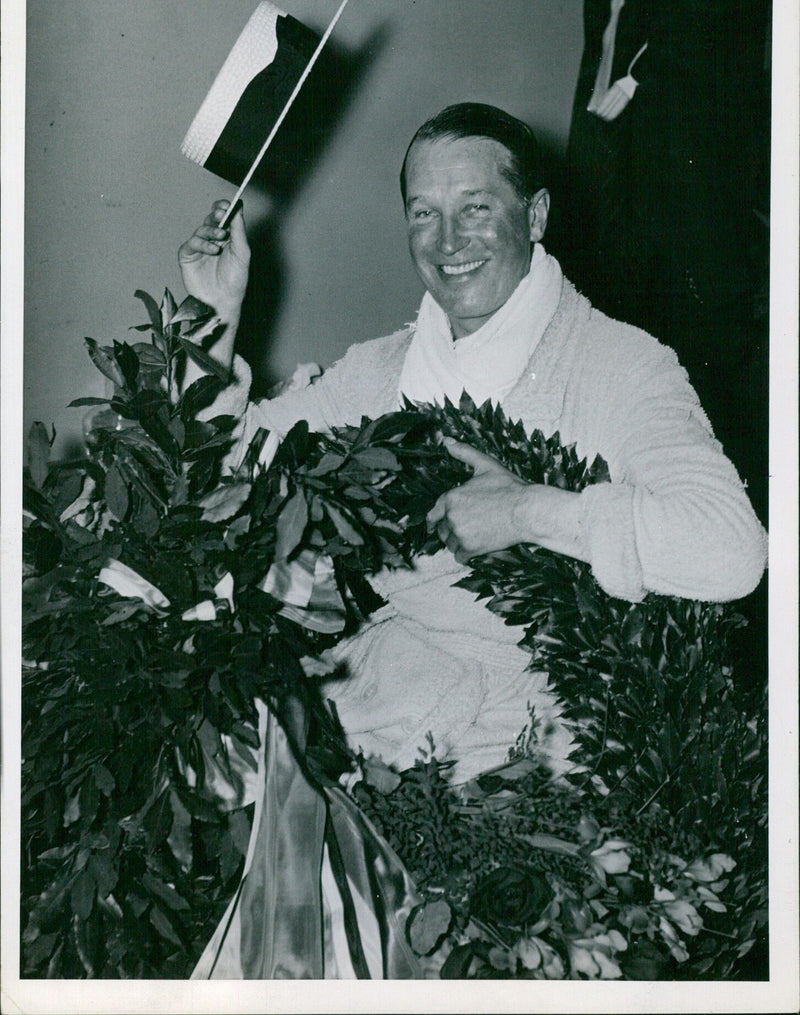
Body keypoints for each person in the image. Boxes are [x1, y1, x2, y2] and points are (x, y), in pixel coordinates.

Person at [178, 103, 767, 978]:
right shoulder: (384, 370)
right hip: (366, 734)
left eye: (476, 206)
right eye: (423, 211)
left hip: (529, 785)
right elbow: (222, 476)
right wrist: (209, 317)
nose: (447, 238)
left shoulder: (621, 365)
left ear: (534, 215)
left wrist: (530, 508)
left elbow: (733, 550)